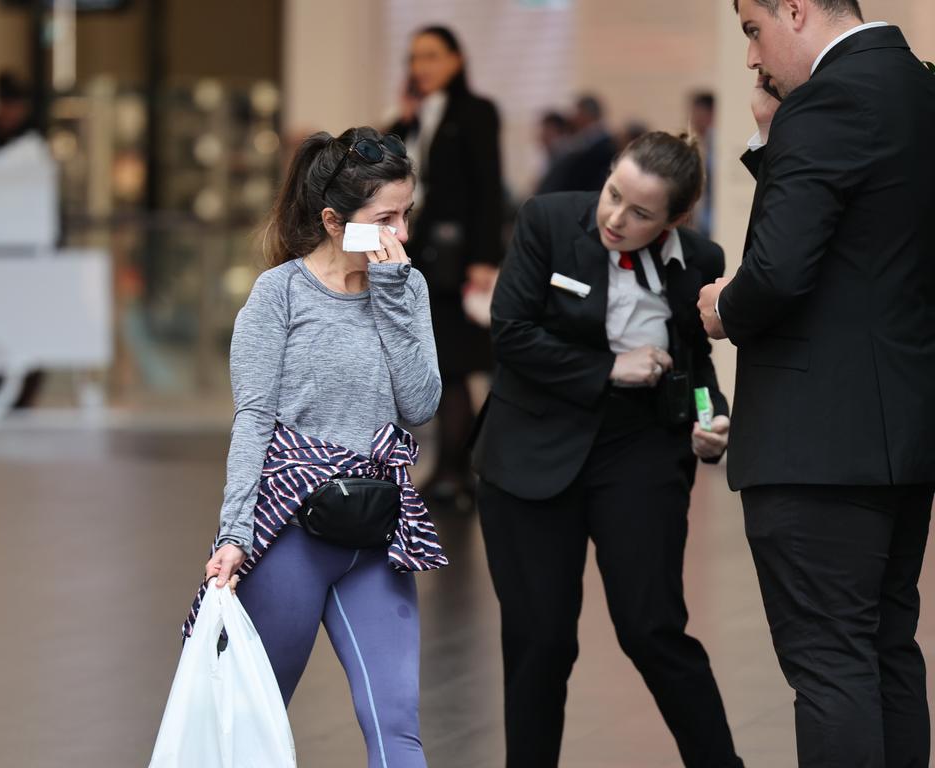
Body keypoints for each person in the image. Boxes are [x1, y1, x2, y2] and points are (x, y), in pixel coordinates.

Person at [697, 2, 935, 766]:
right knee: (887, 648)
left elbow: (778, 270)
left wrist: (723, 307)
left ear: (795, 10)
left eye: (751, 29)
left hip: (818, 442)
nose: (750, 56)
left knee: (830, 663)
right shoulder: (919, 88)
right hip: (904, 428)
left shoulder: (831, 99)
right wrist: (773, 136)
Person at [474, 132, 744, 768]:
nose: (615, 218)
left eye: (640, 213)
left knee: (652, 630)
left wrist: (713, 421)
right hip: (532, 447)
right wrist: (608, 370)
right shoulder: (547, 221)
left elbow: (695, 360)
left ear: (676, 220)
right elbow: (511, 333)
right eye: (613, 194)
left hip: (639, 449)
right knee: (540, 641)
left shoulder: (699, 259)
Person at [196, 126, 446, 768]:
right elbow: (252, 421)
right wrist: (232, 535)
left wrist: (392, 294)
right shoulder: (277, 296)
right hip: (289, 537)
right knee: (252, 726)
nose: (402, 236)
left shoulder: (406, 288)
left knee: (398, 727)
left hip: (375, 531)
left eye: (406, 215)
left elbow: (420, 405)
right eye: (385, 219)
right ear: (336, 222)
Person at [388, 25, 504, 507]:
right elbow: (393, 170)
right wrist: (405, 121)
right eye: (416, 58)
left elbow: (488, 188)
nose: (422, 67)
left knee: (452, 368)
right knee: (440, 370)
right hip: (422, 260)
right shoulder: (417, 117)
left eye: (432, 56)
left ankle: (457, 472)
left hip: (457, 263)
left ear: (456, 59)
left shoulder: (476, 112)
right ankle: (453, 472)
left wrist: (483, 258)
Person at [536, 94, 618, 195]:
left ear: (586, 114)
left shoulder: (602, 145)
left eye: (577, 112)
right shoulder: (586, 141)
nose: (574, 118)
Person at [688, 92, 715, 237]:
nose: (692, 118)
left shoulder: (715, 142)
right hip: (703, 217)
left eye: (696, 112)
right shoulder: (702, 141)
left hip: (711, 217)